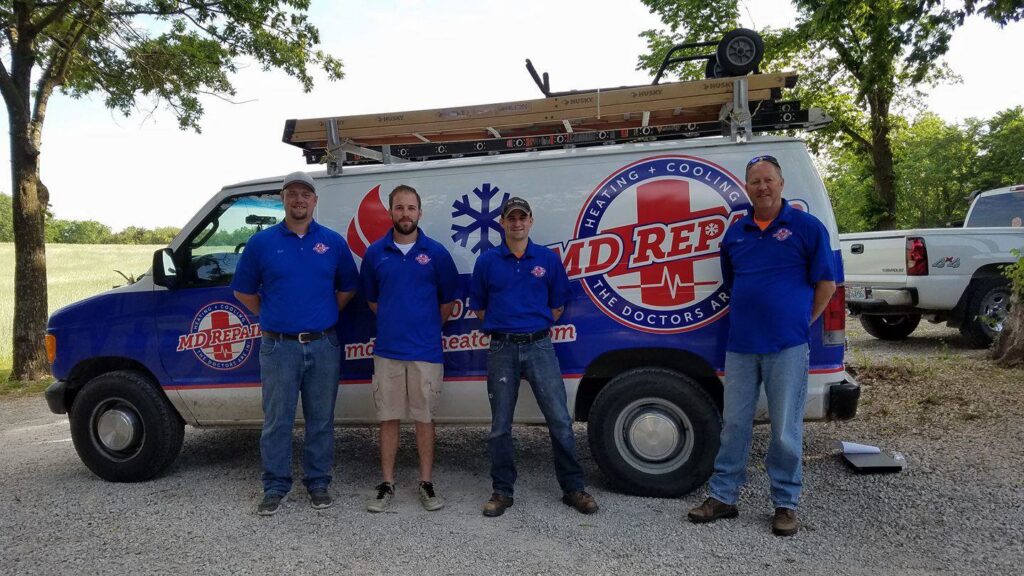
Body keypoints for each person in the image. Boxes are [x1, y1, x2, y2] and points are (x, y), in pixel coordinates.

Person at [687, 155, 836, 536]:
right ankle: (723, 497)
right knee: (734, 424)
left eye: (768, 179)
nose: (762, 186)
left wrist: (804, 321)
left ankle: (785, 504)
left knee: (785, 428)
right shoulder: (736, 233)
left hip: (787, 345)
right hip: (741, 346)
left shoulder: (806, 227)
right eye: (755, 181)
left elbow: (826, 284)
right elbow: (732, 283)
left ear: (781, 183)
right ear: (747, 188)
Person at [232, 171, 358, 516]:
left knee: (321, 420)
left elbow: (348, 288)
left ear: (315, 201)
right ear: (283, 200)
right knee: (277, 420)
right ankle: (275, 486)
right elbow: (243, 291)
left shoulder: (332, 243)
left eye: (305, 194)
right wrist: (274, 316)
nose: (299, 200)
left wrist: (326, 313)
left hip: (323, 344)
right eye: (292, 194)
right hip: (278, 347)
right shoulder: (261, 243)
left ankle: (318, 482)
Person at [470, 196, 598, 517]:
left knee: (560, 421)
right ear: (502, 223)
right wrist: (508, 329)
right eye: (510, 218)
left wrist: (532, 329)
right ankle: (502, 491)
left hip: (540, 346)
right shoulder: (487, 262)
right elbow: (479, 307)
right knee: (500, 426)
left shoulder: (548, 259)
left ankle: (573, 488)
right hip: (502, 348)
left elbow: (557, 306)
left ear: (531, 221)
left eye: (522, 217)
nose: (516, 223)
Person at [360, 184, 459, 513]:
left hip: (425, 352)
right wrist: (396, 322)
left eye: (411, 208)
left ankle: (426, 483)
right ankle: (387, 483)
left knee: (423, 419)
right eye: (399, 208)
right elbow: (373, 301)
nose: (405, 214)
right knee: (388, 419)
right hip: (388, 351)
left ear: (420, 212)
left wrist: (425, 328)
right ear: (390, 212)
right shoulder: (375, 254)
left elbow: (447, 302)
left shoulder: (437, 253)